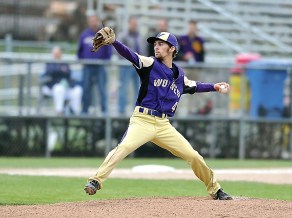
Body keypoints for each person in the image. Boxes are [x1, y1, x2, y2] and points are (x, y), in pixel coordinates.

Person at [84, 29, 232, 200]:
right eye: (155, 44)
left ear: (172, 49)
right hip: (142, 120)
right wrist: (115, 43)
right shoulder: (150, 64)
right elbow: (131, 55)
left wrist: (214, 86)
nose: (156, 47)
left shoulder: (180, 76)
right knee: (123, 148)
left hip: (163, 125)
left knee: (193, 156)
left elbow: (195, 85)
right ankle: (96, 180)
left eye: (161, 44)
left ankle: (215, 189)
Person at [77, 14, 112, 115]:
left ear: (97, 21)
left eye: (95, 20)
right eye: (91, 20)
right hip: (87, 67)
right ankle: (85, 110)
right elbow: (79, 51)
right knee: (86, 88)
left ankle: (104, 110)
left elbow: (108, 50)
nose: (93, 22)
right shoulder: (84, 35)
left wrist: (105, 60)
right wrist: (83, 61)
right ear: (89, 22)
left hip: (100, 67)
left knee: (102, 89)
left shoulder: (103, 34)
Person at [41, 46, 82, 115]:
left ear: (61, 54)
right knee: (59, 88)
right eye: (55, 53)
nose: (57, 55)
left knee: (78, 90)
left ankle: (74, 111)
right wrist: (61, 70)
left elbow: (68, 73)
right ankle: (59, 111)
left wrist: (60, 70)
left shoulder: (65, 63)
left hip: (66, 87)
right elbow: (51, 72)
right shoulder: (49, 63)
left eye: (58, 53)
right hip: (53, 87)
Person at [118, 16, 146, 115]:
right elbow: (118, 51)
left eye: (135, 24)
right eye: (132, 24)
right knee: (124, 88)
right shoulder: (123, 36)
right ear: (129, 24)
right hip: (126, 66)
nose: (134, 26)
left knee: (138, 89)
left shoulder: (140, 37)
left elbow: (144, 52)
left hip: (138, 67)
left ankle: (137, 110)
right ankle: (121, 110)